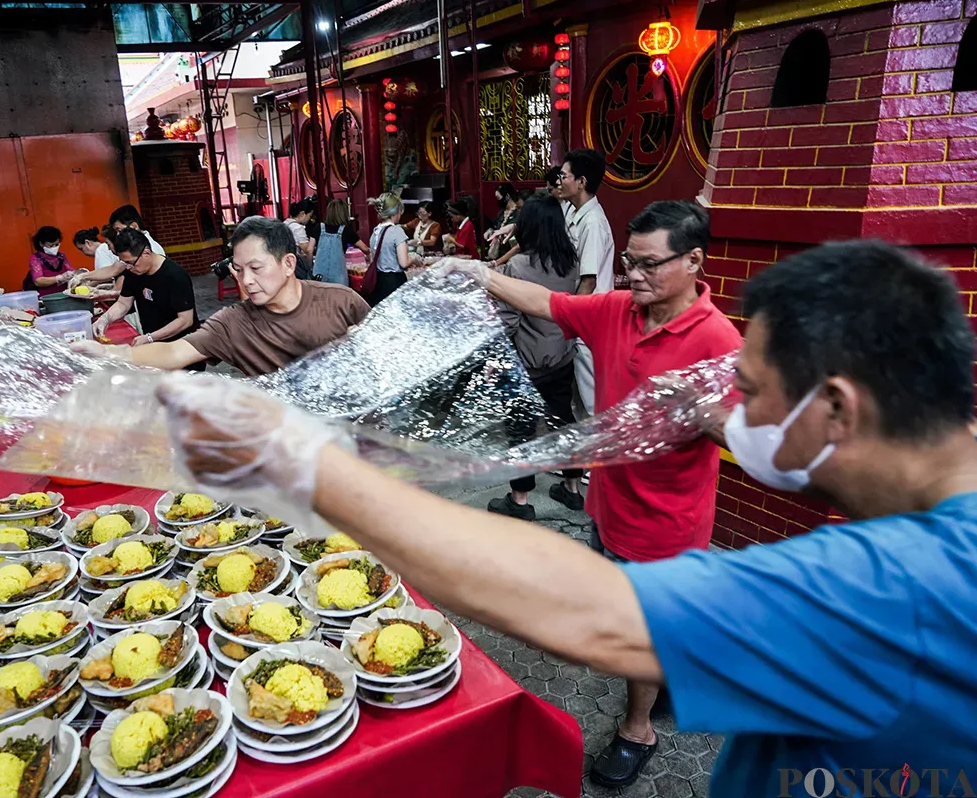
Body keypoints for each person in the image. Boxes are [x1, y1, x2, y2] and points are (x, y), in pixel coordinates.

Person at [155, 238, 977, 798]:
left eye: (751, 396)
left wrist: (303, 461)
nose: (735, 415)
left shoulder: (911, 586)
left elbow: (592, 610)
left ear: (837, 407)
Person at [464, 200, 742, 783]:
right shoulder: (616, 309)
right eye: (628, 265)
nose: (633, 276)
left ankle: (636, 730)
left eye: (648, 265)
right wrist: (479, 274)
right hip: (608, 503)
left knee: (636, 629)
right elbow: (548, 302)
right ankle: (672, 674)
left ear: (693, 261)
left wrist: (695, 412)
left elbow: (749, 437)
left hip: (666, 520)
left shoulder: (719, 339)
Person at [74, 216, 368, 377]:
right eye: (238, 270)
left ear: (289, 264)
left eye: (256, 268)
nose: (246, 281)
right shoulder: (234, 323)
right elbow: (174, 352)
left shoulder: (342, 302)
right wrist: (109, 353)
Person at [486, 194, 585, 520]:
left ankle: (520, 499)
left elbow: (508, 321)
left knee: (521, 429)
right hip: (561, 357)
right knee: (563, 422)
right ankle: (572, 490)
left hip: (526, 363)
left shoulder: (518, 266)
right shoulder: (571, 263)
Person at [560, 149, 616, 425]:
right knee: (578, 398)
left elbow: (589, 280)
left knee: (592, 398)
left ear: (581, 181)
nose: (560, 181)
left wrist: (569, 321)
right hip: (583, 319)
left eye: (564, 176)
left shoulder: (592, 223)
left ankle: (599, 466)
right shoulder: (575, 211)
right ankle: (582, 466)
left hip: (589, 321)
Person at [90, 229, 201, 362]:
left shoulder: (175, 276)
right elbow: (123, 303)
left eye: (131, 263)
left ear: (146, 253)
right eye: (125, 263)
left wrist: (150, 337)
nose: (129, 268)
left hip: (181, 347)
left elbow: (185, 320)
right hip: (154, 343)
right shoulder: (134, 272)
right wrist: (104, 319)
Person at [73, 206, 165, 286]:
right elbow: (113, 269)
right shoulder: (131, 246)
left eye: (119, 230)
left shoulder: (151, 247)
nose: (117, 235)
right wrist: (82, 276)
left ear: (134, 226)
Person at [367, 192, 412, 306]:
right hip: (394, 282)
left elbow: (372, 260)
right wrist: (415, 259)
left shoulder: (375, 232)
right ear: (395, 212)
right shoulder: (397, 231)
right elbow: (404, 263)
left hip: (378, 282)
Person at [313, 199, 369, 285]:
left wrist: (310, 267)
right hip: (338, 277)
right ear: (344, 213)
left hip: (318, 275)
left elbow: (309, 250)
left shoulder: (318, 228)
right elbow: (364, 248)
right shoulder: (346, 230)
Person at [26, 226, 75, 295]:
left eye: (57, 244)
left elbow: (72, 272)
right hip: (46, 297)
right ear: (41, 244)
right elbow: (38, 281)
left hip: (64, 295)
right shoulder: (35, 259)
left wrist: (77, 276)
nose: (54, 247)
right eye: (51, 245)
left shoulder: (61, 256)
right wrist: (59, 278)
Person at [486, 182, 519, 263]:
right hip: (500, 253)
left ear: (507, 196)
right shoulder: (501, 213)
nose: (497, 200)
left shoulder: (518, 213)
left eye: (498, 197)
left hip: (513, 254)